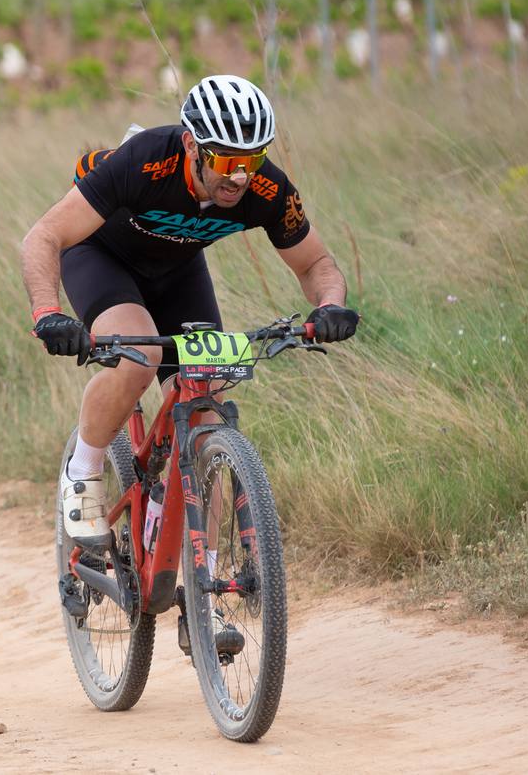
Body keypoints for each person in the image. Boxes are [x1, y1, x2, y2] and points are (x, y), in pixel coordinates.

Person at [19, 74, 361, 548]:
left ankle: (212, 589)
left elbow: (316, 263)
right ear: (190, 145)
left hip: (177, 270)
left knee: (210, 405)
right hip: (102, 257)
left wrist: (330, 305)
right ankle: (83, 474)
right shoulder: (142, 161)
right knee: (140, 360)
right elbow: (44, 236)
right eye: (225, 159)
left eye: (253, 159)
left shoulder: (266, 189)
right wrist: (48, 313)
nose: (240, 176)